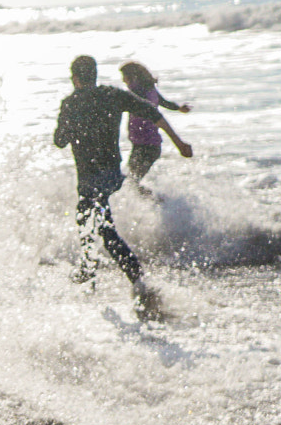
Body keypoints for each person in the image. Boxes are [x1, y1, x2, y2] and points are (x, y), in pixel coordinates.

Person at [53, 55, 191, 296]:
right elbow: (153, 112)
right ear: (94, 76)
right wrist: (179, 143)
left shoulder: (70, 103)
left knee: (100, 226)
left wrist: (73, 124)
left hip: (89, 177)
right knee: (89, 219)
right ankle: (91, 268)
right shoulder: (112, 95)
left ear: (75, 78)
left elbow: (59, 141)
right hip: (111, 174)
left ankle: (136, 279)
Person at [117, 61, 192, 190]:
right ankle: (157, 203)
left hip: (145, 146)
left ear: (132, 77)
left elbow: (128, 103)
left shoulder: (136, 92)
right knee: (131, 182)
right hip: (150, 145)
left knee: (131, 183)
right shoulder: (150, 89)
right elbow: (165, 103)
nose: (123, 80)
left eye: (124, 76)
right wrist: (179, 108)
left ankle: (157, 202)